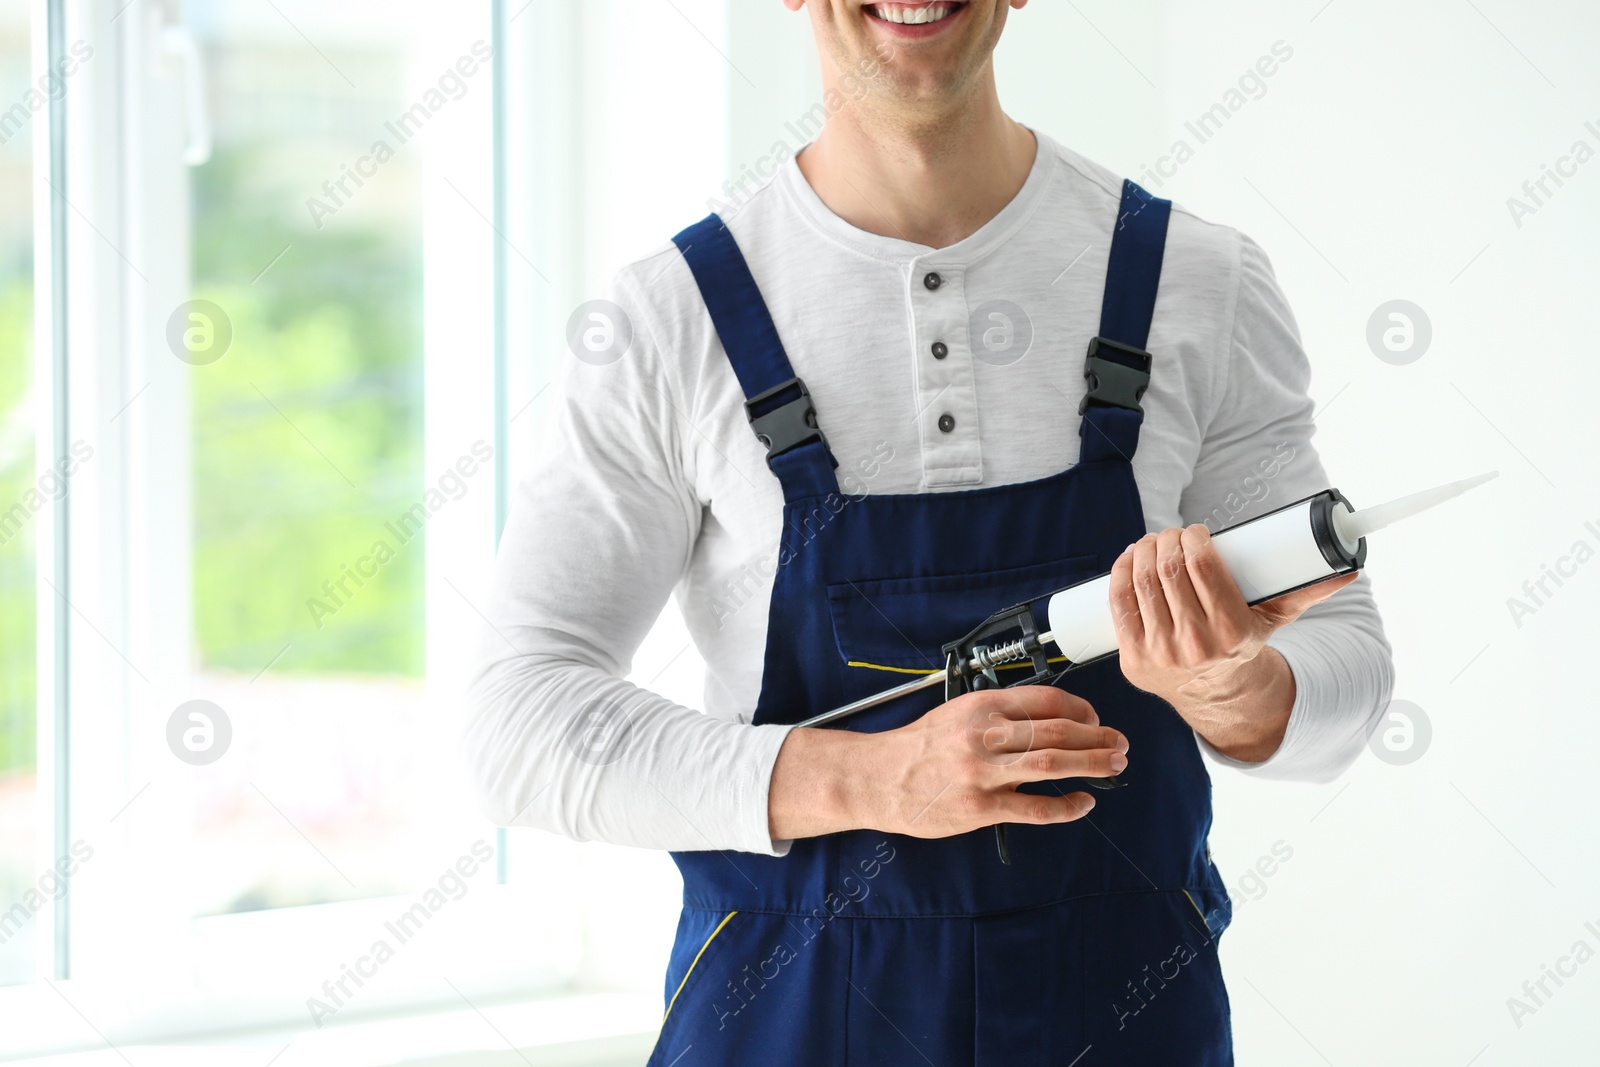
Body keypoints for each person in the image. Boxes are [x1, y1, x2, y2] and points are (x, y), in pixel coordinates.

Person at [464, 2, 1394, 1063]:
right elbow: (518, 723)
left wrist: (1228, 684)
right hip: (785, 1019)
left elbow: (1349, 675)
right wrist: (873, 777)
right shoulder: (665, 322)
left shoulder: (1198, 281)